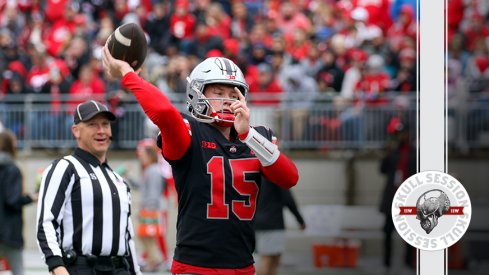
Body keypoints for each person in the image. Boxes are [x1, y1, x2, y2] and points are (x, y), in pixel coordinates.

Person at [102, 47, 299, 275]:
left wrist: (248, 135)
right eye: (218, 93)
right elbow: (165, 113)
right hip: (195, 267)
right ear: (198, 94)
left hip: (243, 267)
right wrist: (128, 73)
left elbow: (289, 177)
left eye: (234, 95)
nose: (227, 101)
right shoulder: (191, 132)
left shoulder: (257, 137)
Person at [36, 100, 141, 275]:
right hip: (82, 267)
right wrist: (57, 267)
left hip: (119, 268)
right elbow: (46, 222)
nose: (101, 131)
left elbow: (127, 237)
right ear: (76, 130)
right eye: (92, 124)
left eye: (105, 124)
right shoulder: (65, 168)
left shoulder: (118, 180)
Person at [378, 118, 416, 273]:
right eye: (398, 134)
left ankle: (407, 263)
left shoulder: (415, 153)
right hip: (392, 199)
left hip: (409, 199)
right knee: (387, 232)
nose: (400, 137)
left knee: (410, 234)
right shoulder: (392, 152)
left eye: (403, 134)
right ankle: (387, 264)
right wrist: (386, 154)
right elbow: (382, 170)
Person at [0, 130, 38, 275]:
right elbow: (12, 200)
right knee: (18, 272)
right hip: (10, 234)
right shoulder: (12, 169)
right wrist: (31, 198)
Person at [255, 178, 306, 275]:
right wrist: (300, 221)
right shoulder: (277, 177)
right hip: (272, 224)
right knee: (268, 258)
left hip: (257, 222)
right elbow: (289, 200)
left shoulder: (259, 176)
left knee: (274, 258)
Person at [130, 139, 165, 272]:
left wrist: (147, 209)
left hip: (151, 209)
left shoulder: (154, 170)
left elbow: (154, 193)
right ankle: (154, 260)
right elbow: (141, 186)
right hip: (148, 208)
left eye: (143, 155)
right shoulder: (150, 170)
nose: (141, 158)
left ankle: (155, 260)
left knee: (147, 236)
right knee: (145, 236)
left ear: (150, 155)